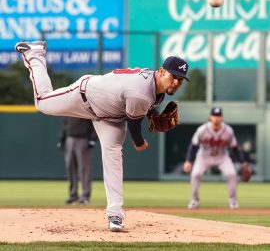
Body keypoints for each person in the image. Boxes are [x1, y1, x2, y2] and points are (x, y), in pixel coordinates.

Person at [15, 40, 189, 232]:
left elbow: (138, 102)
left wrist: (151, 112)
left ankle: (115, 213)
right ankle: (35, 54)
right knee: (42, 103)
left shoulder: (155, 86)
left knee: (113, 156)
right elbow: (134, 125)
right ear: (162, 71)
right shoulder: (141, 93)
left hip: (110, 117)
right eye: (174, 76)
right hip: (85, 96)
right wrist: (140, 143)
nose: (176, 82)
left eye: (180, 79)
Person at [182, 107, 246, 210]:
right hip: (204, 156)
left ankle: (233, 201)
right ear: (210, 117)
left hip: (222, 156)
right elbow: (193, 145)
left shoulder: (228, 131)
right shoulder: (202, 130)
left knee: (232, 174)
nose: (216, 118)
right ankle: (194, 201)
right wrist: (188, 160)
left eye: (218, 116)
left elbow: (235, 148)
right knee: (195, 174)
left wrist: (242, 162)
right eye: (214, 116)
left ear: (222, 117)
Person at [57, 116, 97, 205]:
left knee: (84, 168)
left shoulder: (86, 106)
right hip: (69, 138)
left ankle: (85, 196)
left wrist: (93, 138)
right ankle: (73, 195)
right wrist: (62, 138)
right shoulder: (69, 108)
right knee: (70, 167)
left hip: (83, 138)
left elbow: (95, 124)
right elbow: (65, 124)